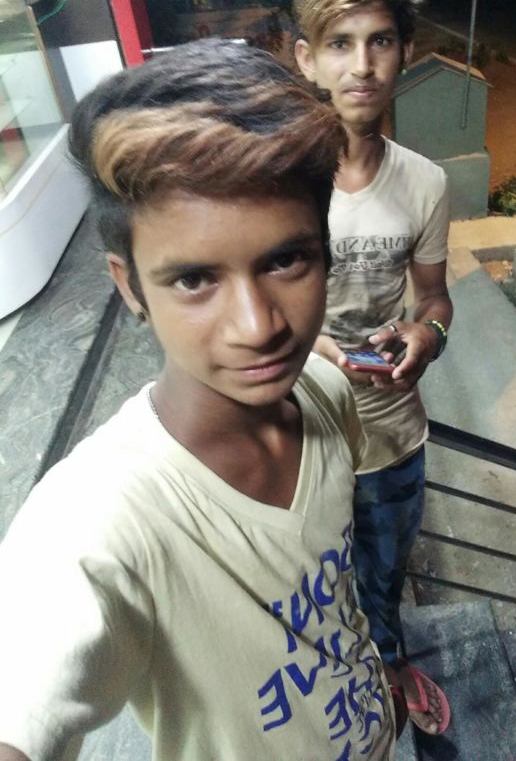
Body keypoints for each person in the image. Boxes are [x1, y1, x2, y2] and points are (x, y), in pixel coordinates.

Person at [0, 39, 398, 760]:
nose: (257, 326)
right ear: (129, 287)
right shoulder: (99, 523)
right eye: (193, 280)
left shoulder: (328, 392)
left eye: (286, 260)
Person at [293, 0, 453, 735]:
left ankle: (388, 668)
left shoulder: (424, 182)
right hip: (299, 440)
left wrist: (427, 333)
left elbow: (436, 298)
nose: (362, 65)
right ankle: (335, 690)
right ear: (307, 58)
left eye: (380, 40)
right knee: (310, 591)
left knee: (383, 579)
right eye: (340, 42)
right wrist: (306, 348)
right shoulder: (277, 183)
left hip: (392, 438)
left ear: (405, 51)